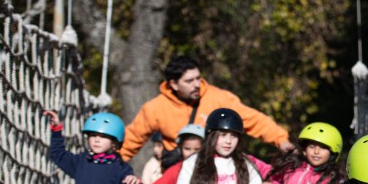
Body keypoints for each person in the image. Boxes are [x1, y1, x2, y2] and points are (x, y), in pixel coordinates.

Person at [119, 54, 295, 161]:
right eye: (189, 81)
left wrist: (281, 140)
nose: (197, 84)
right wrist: (108, 164)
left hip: (213, 174)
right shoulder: (155, 108)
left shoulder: (218, 98)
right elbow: (131, 140)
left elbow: (254, 120)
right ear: (173, 84)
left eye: (198, 78)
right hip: (178, 178)